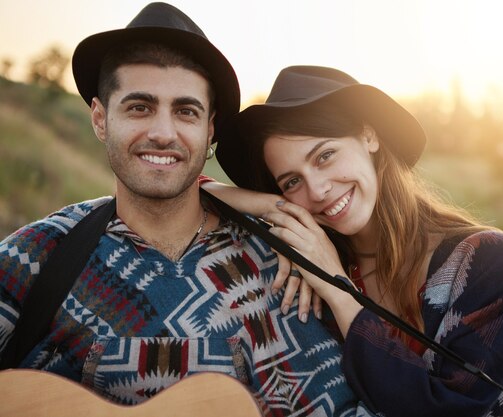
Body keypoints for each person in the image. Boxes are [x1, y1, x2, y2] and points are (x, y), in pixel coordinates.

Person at [0, 5, 375, 416]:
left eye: (186, 111)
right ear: (100, 118)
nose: (163, 133)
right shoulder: (32, 259)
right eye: (139, 107)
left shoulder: (283, 265)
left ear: (210, 130)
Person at [211, 65, 503, 417]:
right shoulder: (308, 263)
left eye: (325, 156)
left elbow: (449, 409)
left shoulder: (486, 261)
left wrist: (338, 289)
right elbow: (184, 185)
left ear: (369, 136)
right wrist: (269, 205)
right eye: (292, 182)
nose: (317, 191)